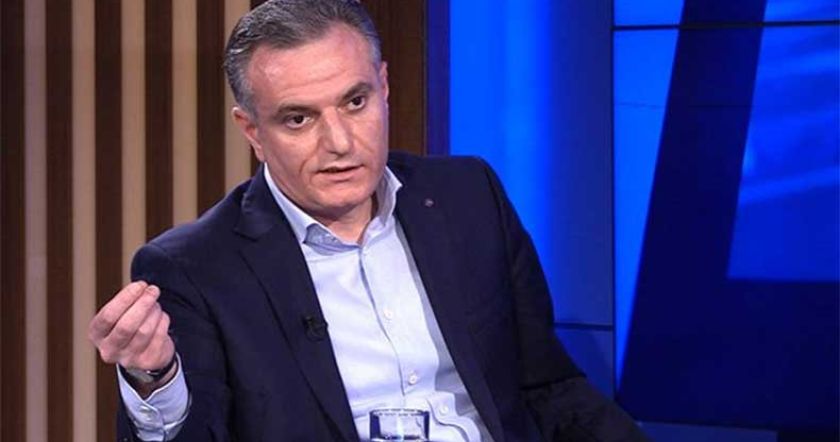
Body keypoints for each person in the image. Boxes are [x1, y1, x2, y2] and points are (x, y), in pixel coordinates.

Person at [88, 1, 649, 440]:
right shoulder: (196, 267)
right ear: (252, 131)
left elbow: (548, 387)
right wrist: (155, 378)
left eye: (355, 102)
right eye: (299, 118)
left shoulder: (468, 197)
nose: (339, 142)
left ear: (383, 87)